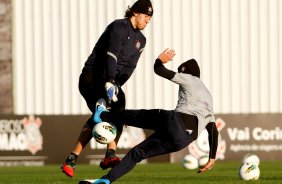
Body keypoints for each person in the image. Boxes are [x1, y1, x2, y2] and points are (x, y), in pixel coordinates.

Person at [79, 48, 219, 184]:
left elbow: (160, 71)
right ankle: (106, 180)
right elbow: (213, 130)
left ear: (186, 72)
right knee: (137, 153)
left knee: (136, 116)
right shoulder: (209, 98)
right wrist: (212, 157)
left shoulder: (189, 78)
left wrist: (159, 61)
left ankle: (102, 115)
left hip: (176, 121)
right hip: (183, 140)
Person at [61, 0, 154, 177]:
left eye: (150, 17)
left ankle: (107, 155)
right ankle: (101, 109)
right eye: (146, 16)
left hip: (111, 82)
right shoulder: (119, 26)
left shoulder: (141, 40)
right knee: (103, 109)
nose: (148, 20)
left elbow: (129, 67)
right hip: (91, 77)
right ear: (135, 13)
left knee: (119, 110)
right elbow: (111, 54)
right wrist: (110, 80)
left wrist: (117, 85)